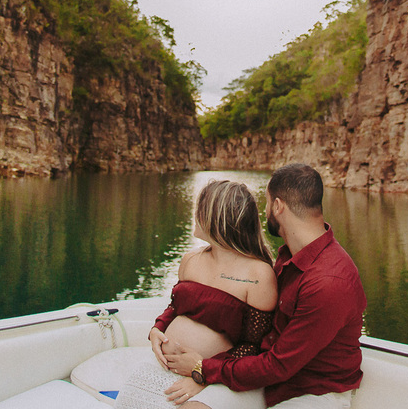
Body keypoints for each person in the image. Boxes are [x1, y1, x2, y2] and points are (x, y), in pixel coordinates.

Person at [162, 164, 367, 409]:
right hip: (265, 380)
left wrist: (203, 369)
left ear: (279, 206)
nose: (264, 210)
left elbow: (279, 365)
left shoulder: (329, 282)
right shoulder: (289, 254)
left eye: (267, 202)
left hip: (312, 392)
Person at [115, 179, 277, 409]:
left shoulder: (258, 274)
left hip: (220, 377)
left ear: (216, 218)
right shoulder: (191, 260)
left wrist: (202, 374)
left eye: (199, 208)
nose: (195, 213)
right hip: (167, 366)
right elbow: (174, 308)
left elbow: (254, 347)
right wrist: (157, 329)